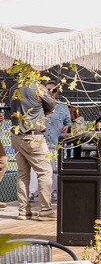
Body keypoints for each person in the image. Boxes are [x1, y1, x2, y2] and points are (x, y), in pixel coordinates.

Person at [8, 80, 55, 221]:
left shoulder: (13, 88)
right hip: (33, 137)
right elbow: (51, 107)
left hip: (16, 137)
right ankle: (45, 210)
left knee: (22, 174)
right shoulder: (38, 88)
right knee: (45, 172)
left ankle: (23, 211)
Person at [37, 81, 71, 202]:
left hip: (56, 140)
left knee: (55, 167)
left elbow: (68, 121)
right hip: (42, 140)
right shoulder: (39, 105)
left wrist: (66, 126)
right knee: (42, 168)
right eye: (48, 90)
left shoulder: (62, 106)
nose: (51, 92)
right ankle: (37, 191)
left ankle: (55, 190)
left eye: (54, 90)